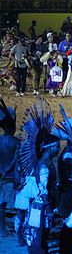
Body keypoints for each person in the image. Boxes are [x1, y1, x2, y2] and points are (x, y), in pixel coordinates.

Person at [0, 100, 19, 237]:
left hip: (1, 174)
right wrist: (7, 170)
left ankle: (2, 228)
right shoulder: (16, 142)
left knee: (1, 204)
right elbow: (16, 160)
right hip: (10, 175)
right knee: (14, 204)